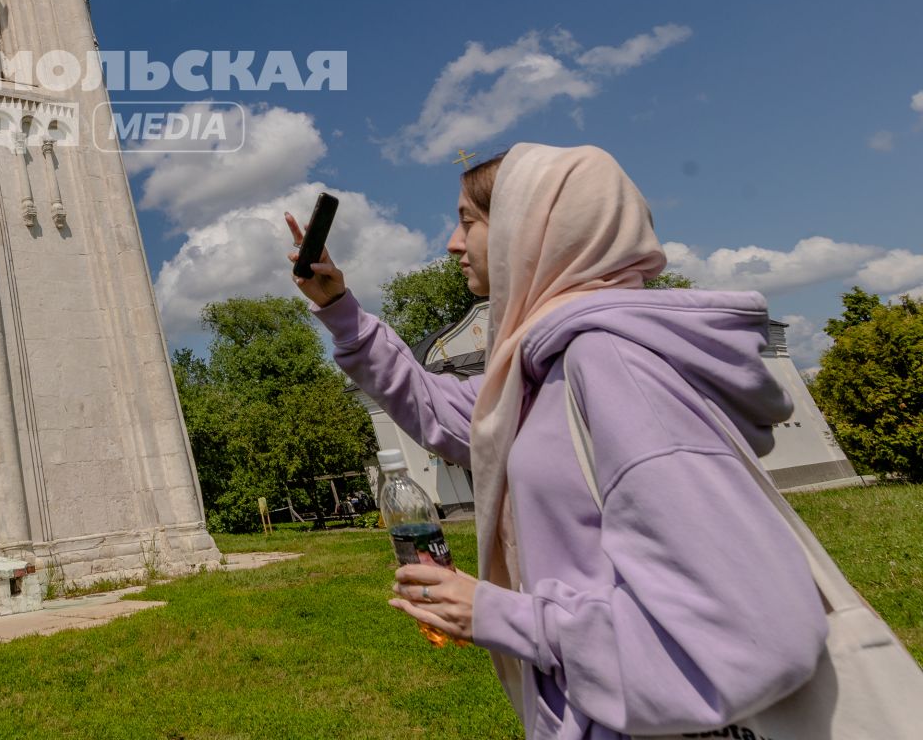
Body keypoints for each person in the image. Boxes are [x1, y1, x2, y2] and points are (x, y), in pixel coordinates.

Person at [285, 143, 826, 739]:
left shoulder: (613, 363)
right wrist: (338, 306)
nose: (452, 243)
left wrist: (500, 614)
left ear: (533, 228)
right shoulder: (546, 368)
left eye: (469, 220)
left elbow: (752, 632)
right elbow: (435, 407)